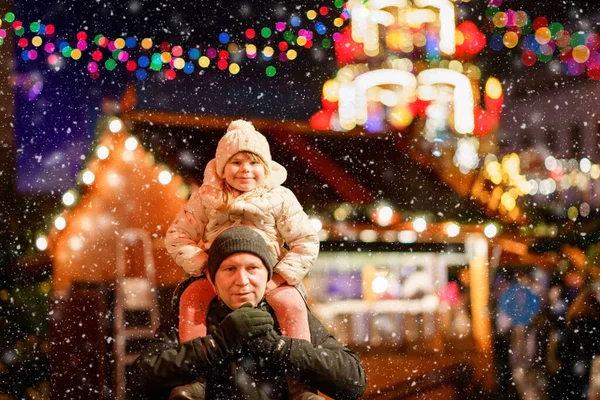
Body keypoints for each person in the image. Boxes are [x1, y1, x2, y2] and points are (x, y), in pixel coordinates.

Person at [165, 120, 320, 397]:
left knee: (292, 304)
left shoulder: (280, 198)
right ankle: (193, 379)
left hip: (267, 276)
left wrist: (280, 278)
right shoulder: (207, 197)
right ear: (222, 167)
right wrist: (205, 267)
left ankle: (300, 384)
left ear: (267, 167)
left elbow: (306, 240)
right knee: (191, 302)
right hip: (218, 276)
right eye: (236, 162)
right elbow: (177, 236)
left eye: (254, 162)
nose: (245, 169)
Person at [129, 227, 367, 400]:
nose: (242, 280)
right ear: (212, 280)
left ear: (267, 276)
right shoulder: (192, 318)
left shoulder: (286, 316)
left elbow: (352, 382)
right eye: (230, 269)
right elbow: (139, 383)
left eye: (253, 268)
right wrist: (216, 344)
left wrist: (281, 348)